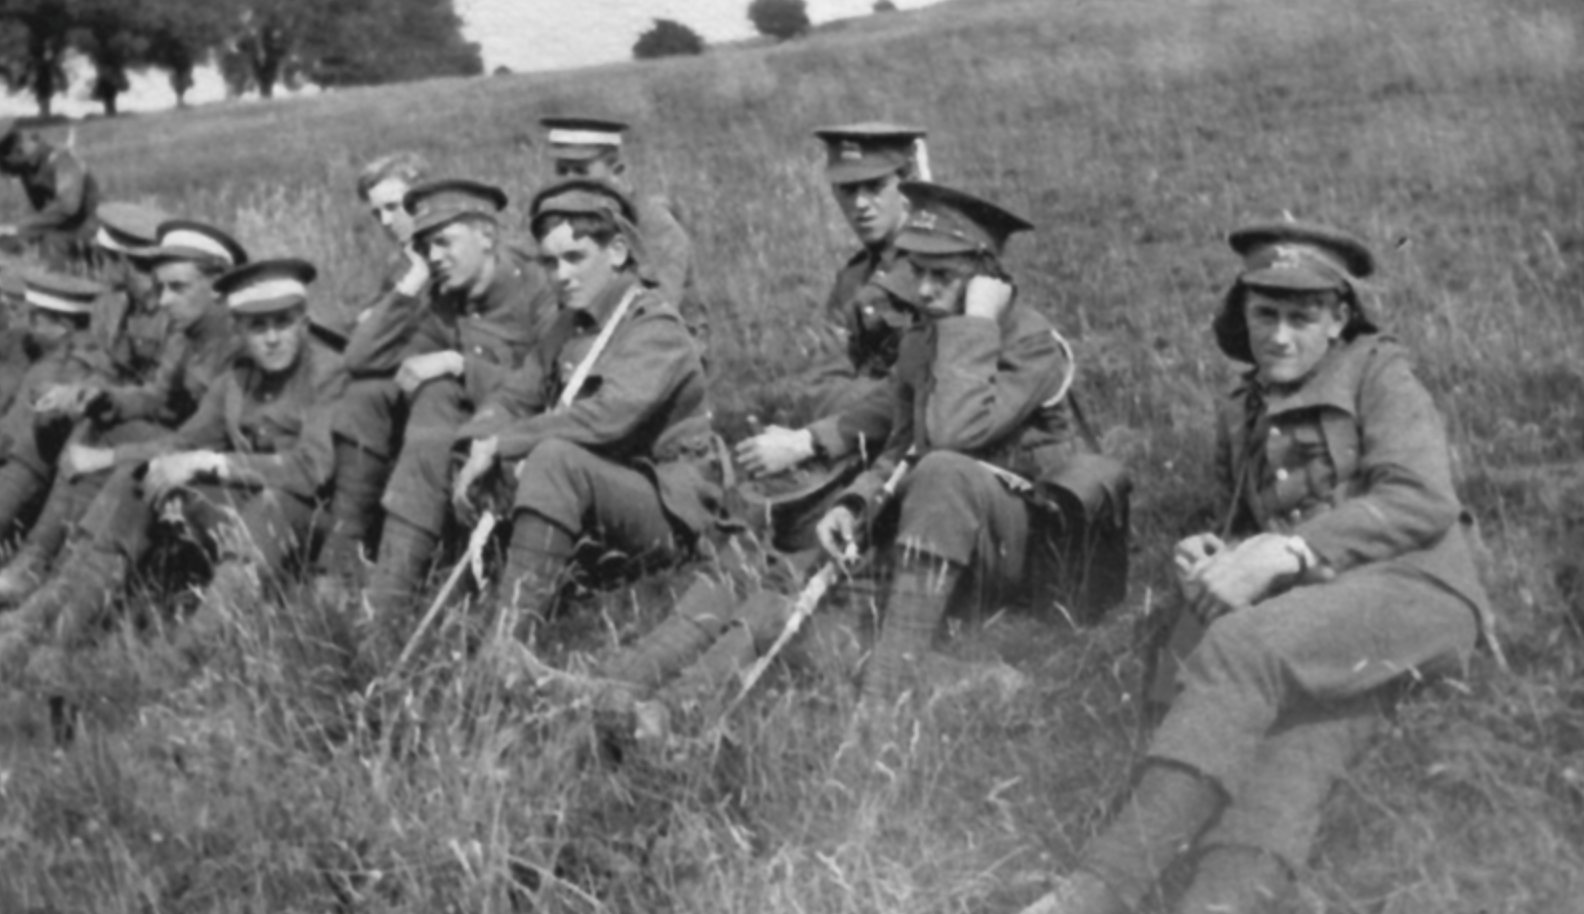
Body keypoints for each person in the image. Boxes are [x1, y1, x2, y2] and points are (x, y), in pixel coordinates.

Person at [1018, 221, 1489, 914]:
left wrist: (1289, 551)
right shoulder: (1243, 406)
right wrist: (1216, 549)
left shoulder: (1380, 371)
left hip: (1415, 589)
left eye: (1302, 318)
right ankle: (1222, 900)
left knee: (1243, 645)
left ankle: (1098, 890)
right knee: (1295, 748)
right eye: (1265, 314)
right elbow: (1247, 521)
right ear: (1242, 315)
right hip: (1322, 616)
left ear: (1339, 320)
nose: (1280, 336)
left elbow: (1422, 498)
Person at [0, 258, 347, 677]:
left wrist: (210, 463)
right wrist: (157, 463)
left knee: (274, 503)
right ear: (239, 330)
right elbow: (180, 442)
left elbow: (312, 469)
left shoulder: (327, 374)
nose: (272, 338)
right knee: (141, 478)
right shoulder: (237, 379)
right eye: (258, 326)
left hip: (306, 525)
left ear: (304, 322)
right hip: (243, 515)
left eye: (284, 323)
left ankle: (176, 662)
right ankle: (52, 633)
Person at [445, 177, 722, 651]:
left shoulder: (654, 325)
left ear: (617, 252)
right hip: (602, 496)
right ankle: (491, 621)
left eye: (575, 258)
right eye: (550, 263)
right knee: (534, 455)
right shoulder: (564, 328)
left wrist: (504, 445)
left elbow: (607, 416)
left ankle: (508, 643)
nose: (560, 276)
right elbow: (514, 397)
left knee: (553, 458)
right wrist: (479, 439)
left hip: (669, 509)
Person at [353, 179, 551, 656]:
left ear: (486, 235)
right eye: (424, 246)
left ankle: (390, 603)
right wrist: (417, 275)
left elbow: (553, 383)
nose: (435, 255)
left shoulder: (539, 287)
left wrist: (462, 365)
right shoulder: (444, 299)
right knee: (425, 395)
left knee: (440, 387)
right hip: (458, 440)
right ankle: (383, 616)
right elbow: (361, 356)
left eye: (444, 241)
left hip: (527, 436)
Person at [734, 123, 927, 512]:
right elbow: (821, 376)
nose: (859, 204)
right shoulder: (854, 277)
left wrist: (810, 438)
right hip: (863, 437)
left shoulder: (936, 271)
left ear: (906, 186)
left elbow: (922, 390)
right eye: (847, 190)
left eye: (874, 187)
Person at [0, 203, 172, 604]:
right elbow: (108, 361)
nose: (100, 267)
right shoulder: (120, 304)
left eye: (107, 259)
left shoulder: (168, 312)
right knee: (49, 415)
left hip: (163, 425)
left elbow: (163, 395)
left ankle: (38, 561)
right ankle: (28, 556)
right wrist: (79, 390)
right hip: (128, 406)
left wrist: (93, 395)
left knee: (90, 425)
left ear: (127, 263)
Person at [316, 151, 433, 578]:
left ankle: (345, 543)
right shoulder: (401, 264)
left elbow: (365, 353)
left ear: (423, 201)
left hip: (436, 385)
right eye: (377, 211)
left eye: (394, 206)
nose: (385, 221)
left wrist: (414, 279)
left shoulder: (439, 261)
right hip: (402, 372)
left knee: (361, 392)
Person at [539, 116, 704, 347]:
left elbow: (656, 315)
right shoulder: (557, 224)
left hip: (657, 356)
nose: (568, 182)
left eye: (580, 171)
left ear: (617, 172)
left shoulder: (653, 225)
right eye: (562, 170)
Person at [0, 272, 108, 541]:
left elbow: (18, 437)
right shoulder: (42, 354)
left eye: (34, 319)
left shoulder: (69, 367)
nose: (24, 325)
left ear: (62, 325)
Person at [0, 123, 99, 268]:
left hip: (88, 230)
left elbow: (68, 207)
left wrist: (21, 228)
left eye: (3, 165)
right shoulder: (26, 169)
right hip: (60, 231)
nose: (5, 173)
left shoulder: (61, 158)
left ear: (15, 152)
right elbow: (43, 213)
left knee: (52, 246)